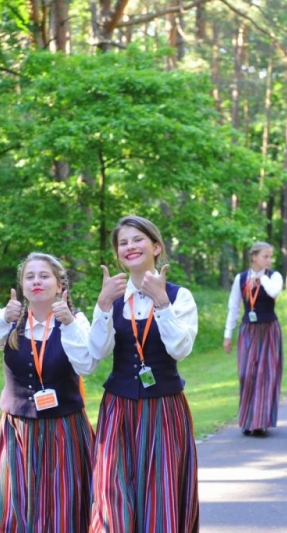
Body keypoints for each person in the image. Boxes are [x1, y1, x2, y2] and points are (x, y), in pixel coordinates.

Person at [0, 252, 96, 532]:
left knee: (64, 505)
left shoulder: (75, 321)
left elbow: (87, 363)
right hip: (17, 429)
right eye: (29, 276)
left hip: (64, 428)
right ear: (21, 286)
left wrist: (68, 322)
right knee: (17, 506)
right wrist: (1, 317)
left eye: (44, 276)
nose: (36, 281)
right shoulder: (9, 321)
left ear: (60, 285)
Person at [88, 215, 199, 532]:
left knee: (158, 494)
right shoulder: (112, 297)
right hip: (118, 408)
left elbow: (180, 349)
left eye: (137, 239)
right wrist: (103, 306)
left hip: (164, 408)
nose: (130, 247)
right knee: (112, 493)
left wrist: (162, 302)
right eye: (123, 242)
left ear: (156, 246)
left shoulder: (180, 297)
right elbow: (97, 351)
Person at [223, 242, 284, 437]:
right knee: (246, 374)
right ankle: (248, 420)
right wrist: (227, 335)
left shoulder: (274, 276)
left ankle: (260, 421)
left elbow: (274, 291)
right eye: (265, 256)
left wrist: (261, 278)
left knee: (266, 374)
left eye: (270, 257)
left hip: (269, 330)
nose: (269, 260)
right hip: (248, 330)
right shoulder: (240, 278)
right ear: (254, 257)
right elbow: (233, 306)